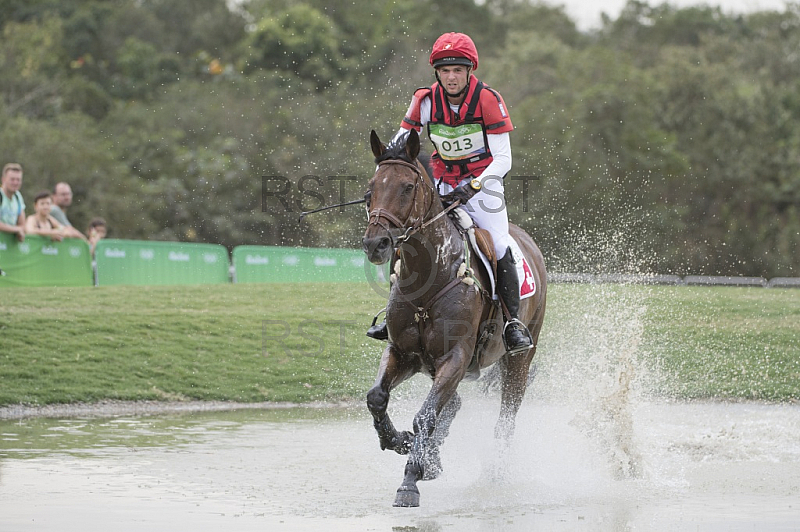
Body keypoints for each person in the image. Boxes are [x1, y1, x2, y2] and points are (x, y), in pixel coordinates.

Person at [366, 32, 533, 354]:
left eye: (458, 69)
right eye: (445, 70)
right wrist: (379, 185)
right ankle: (392, 316)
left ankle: (513, 323)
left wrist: (472, 186)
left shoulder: (487, 99)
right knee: (407, 239)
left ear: (469, 70)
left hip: (483, 186)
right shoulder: (425, 101)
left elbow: (503, 159)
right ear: (437, 73)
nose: (451, 77)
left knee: (498, 244)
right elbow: (396, 150)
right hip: (441, 183)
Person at [0, 163, 26, 242]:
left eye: (18, 180)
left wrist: (19, 230)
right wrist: (16, 229)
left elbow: (22, 224)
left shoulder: (18, 196)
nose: (15, 183)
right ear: (3, 179)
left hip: (9, 245)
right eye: (12, 179)